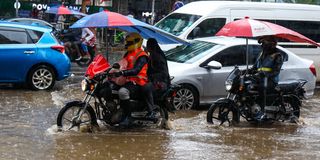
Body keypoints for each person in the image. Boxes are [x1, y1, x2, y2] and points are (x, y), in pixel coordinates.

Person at [110, 32, 149, 125]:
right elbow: (122, 64)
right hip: (127, 80)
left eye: (130, 43)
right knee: (109, 88)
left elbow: (136, 70)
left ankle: (127, 116)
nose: (127, 44)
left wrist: (123, 73)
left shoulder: (142, 55)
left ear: (137, 42)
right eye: (127, 42)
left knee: (122, 92)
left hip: (138, 82)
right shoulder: (128, 53)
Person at [249, 35, 284, 121]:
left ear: (271, 44)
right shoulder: (261, 54)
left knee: (261, 88)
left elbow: (276, 71)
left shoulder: (278, 55)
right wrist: (246, 71)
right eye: (262, 43)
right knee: (248, 87)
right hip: (259, 79)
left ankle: (262, 112)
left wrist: (265, 74)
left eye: (264, 43)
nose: (262, 46)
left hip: (270, 81)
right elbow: (255, 67)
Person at [144, 38, 171, 117]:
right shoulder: (151, 56)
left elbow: (163, 73)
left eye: (148, 46)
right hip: (154, 81)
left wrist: (150, 77)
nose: (147, 47)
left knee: (146, 88)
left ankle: (151, 110)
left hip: (161, 83)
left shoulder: (158, 57)